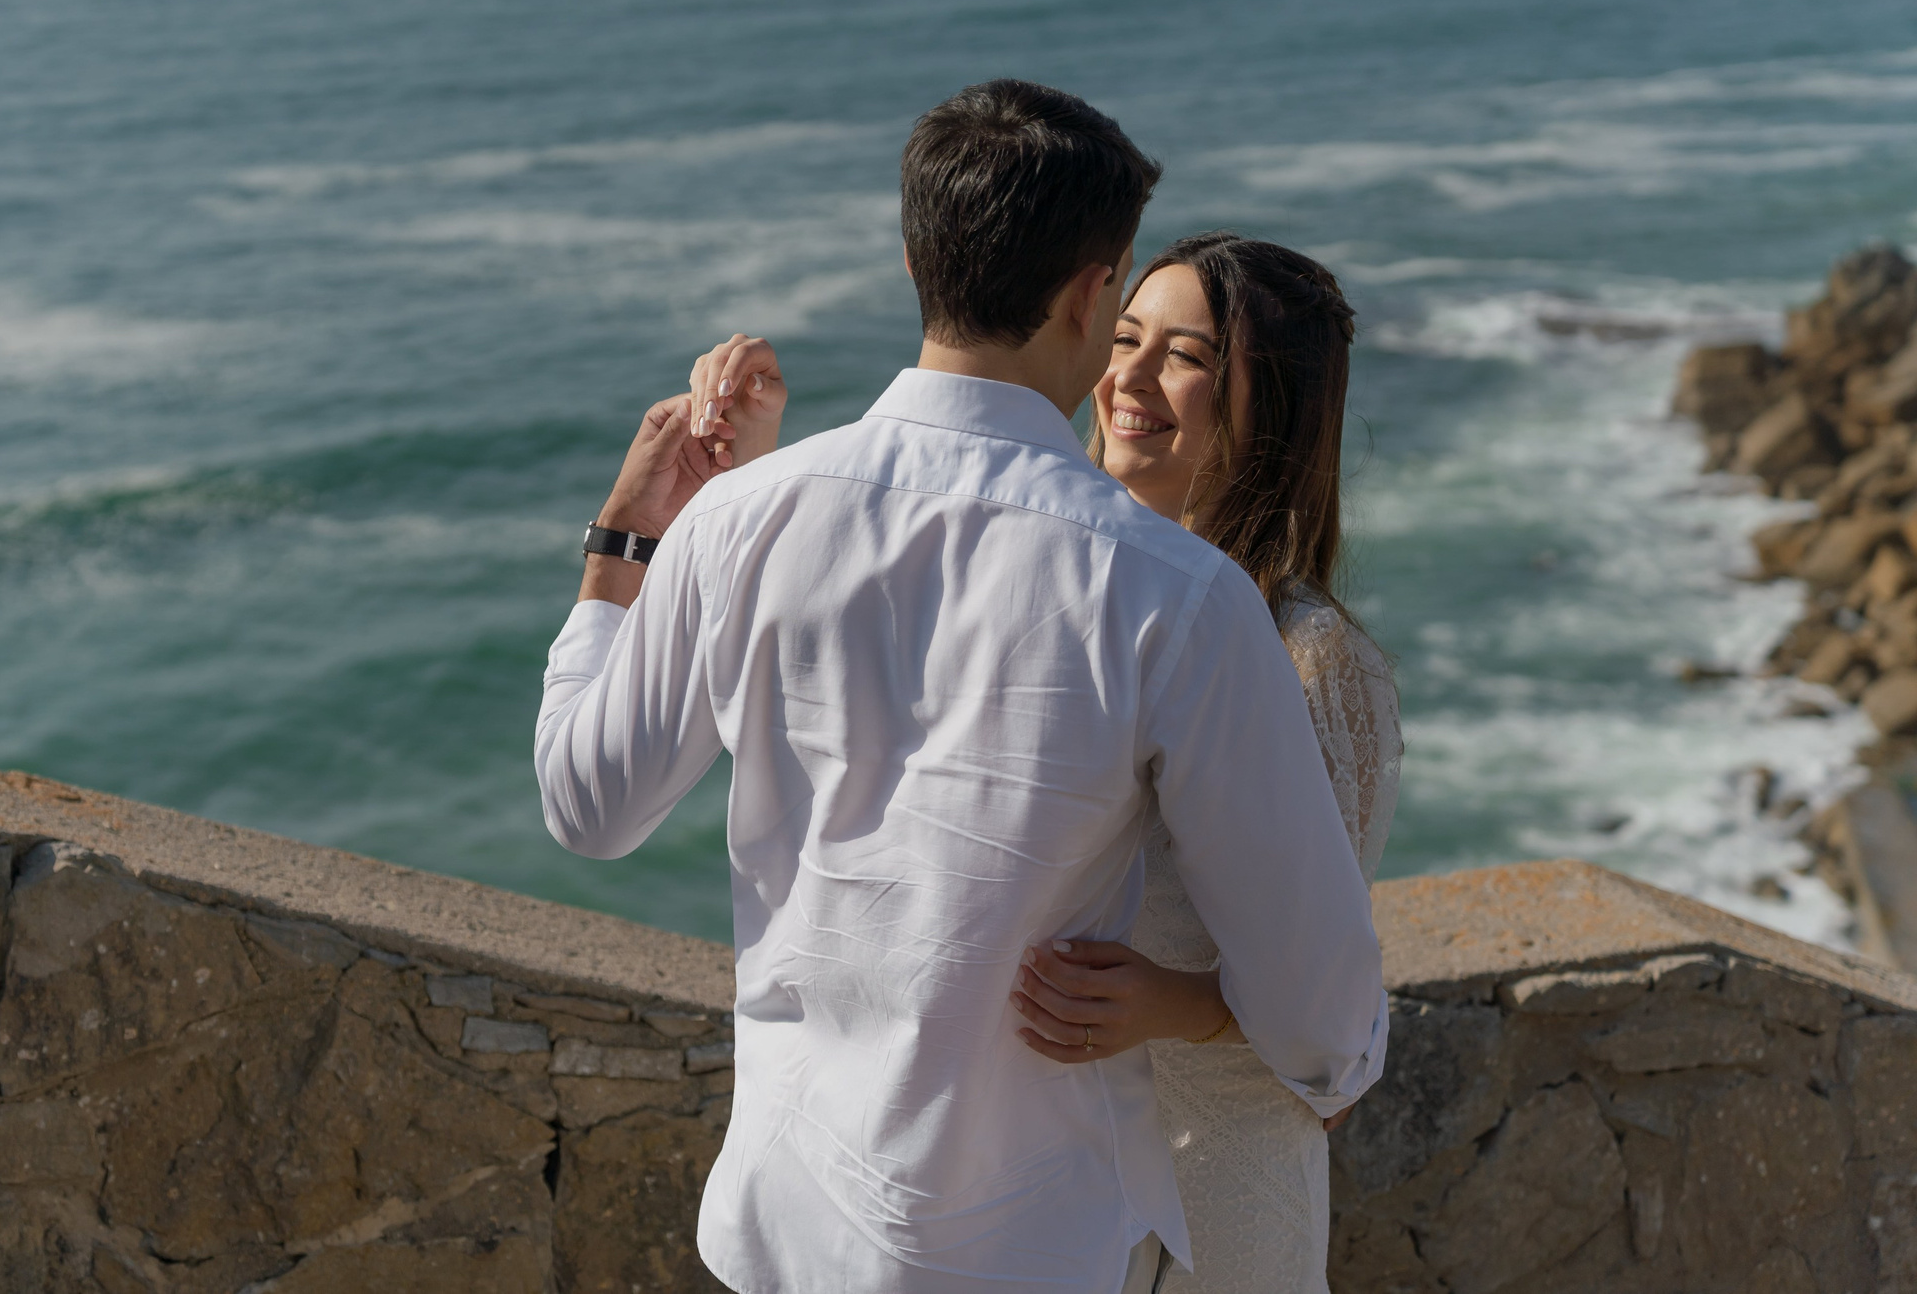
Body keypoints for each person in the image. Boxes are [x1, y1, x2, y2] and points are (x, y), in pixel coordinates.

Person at [534, 81, 1387, 1294]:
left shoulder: (738, 519)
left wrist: (629, 540)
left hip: (786, 1227)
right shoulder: (1181, 596)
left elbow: (586, 805)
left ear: (913, 258)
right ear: (1095, 291)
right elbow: (1321, 1016)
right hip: (1034, 1247)